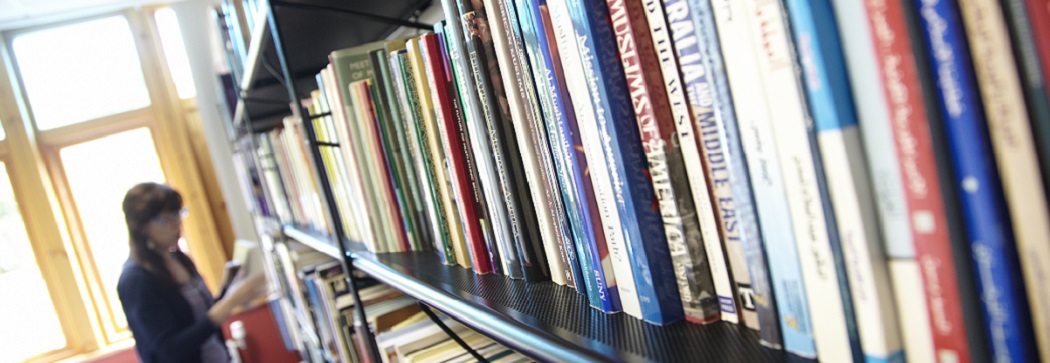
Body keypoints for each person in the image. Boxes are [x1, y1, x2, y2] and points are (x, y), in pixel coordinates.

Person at [117, 182, 266, 363]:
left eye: (178, 214)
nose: (177, 223)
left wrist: (228, 290)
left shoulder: (178, 258)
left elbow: (199, 320)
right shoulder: (135, 281)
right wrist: (228, 304)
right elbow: (169, 349)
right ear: (141, 227)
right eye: (166, 219)